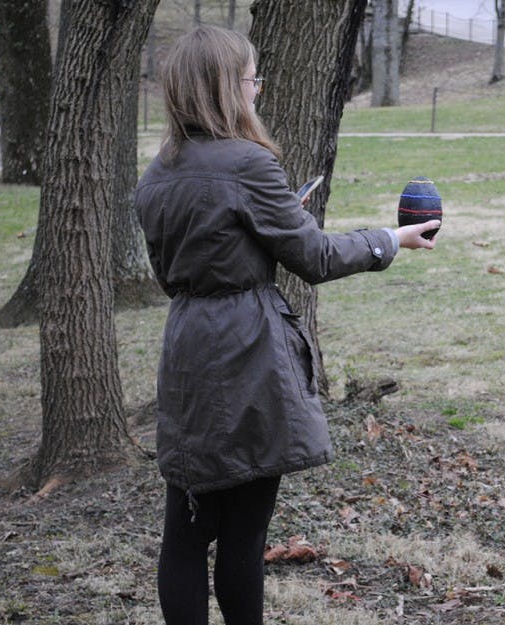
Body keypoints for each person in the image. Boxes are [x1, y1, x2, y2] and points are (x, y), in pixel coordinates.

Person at [134, 25, 440, 625]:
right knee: (244, 534)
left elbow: (180, 266)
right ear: (225, 89)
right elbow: (317, 259)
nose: (258, 91)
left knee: (189, 526)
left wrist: (265, 225)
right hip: (246, 354)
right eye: (252, 80)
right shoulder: (250, 163)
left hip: (188, 349)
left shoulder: (157, 173)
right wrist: (390, 240)